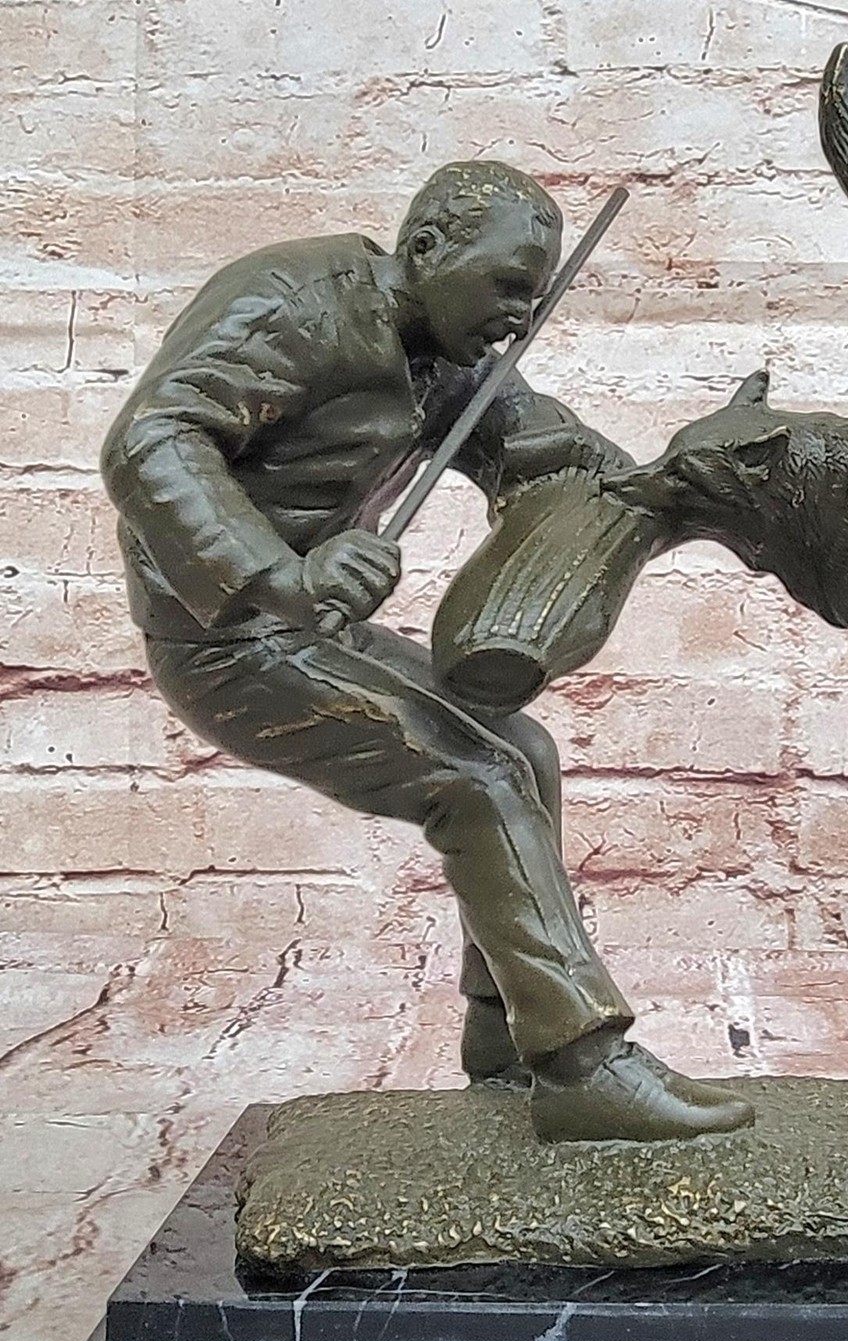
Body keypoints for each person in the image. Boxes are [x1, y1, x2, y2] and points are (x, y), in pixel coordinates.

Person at [101, 159, 753, 1143]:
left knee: (524, 751)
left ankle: (507, 1033)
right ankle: (581, 1064)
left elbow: (547, 448)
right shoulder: (293, 302)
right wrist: (283, 575)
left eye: (534, 297)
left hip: (312, 629)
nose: (519, 317)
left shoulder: (452, 356)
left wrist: (681, 486)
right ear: (426, 249)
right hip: (225, 637)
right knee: (476, 779)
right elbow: (151, 440)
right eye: (507, 285)